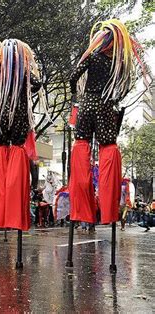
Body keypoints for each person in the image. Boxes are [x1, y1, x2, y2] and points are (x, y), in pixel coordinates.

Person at [68, 19, 148, 226]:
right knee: (108, 148)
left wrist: (76, 95)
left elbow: (73, 77)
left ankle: (81, 210)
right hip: (104, 107)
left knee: (81, 148)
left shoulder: (91, 57)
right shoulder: (117, 64)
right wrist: (113, 98)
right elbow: (125, 86)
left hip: (86, 106)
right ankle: (107, 212)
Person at [0, 39, 44, 231]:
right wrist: (25, 91)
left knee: (1, 155)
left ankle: (0, 215)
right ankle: (14, 215)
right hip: (19, 116)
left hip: (2, 117)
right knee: (16, 153)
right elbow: (37, 84)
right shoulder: (22, 72)